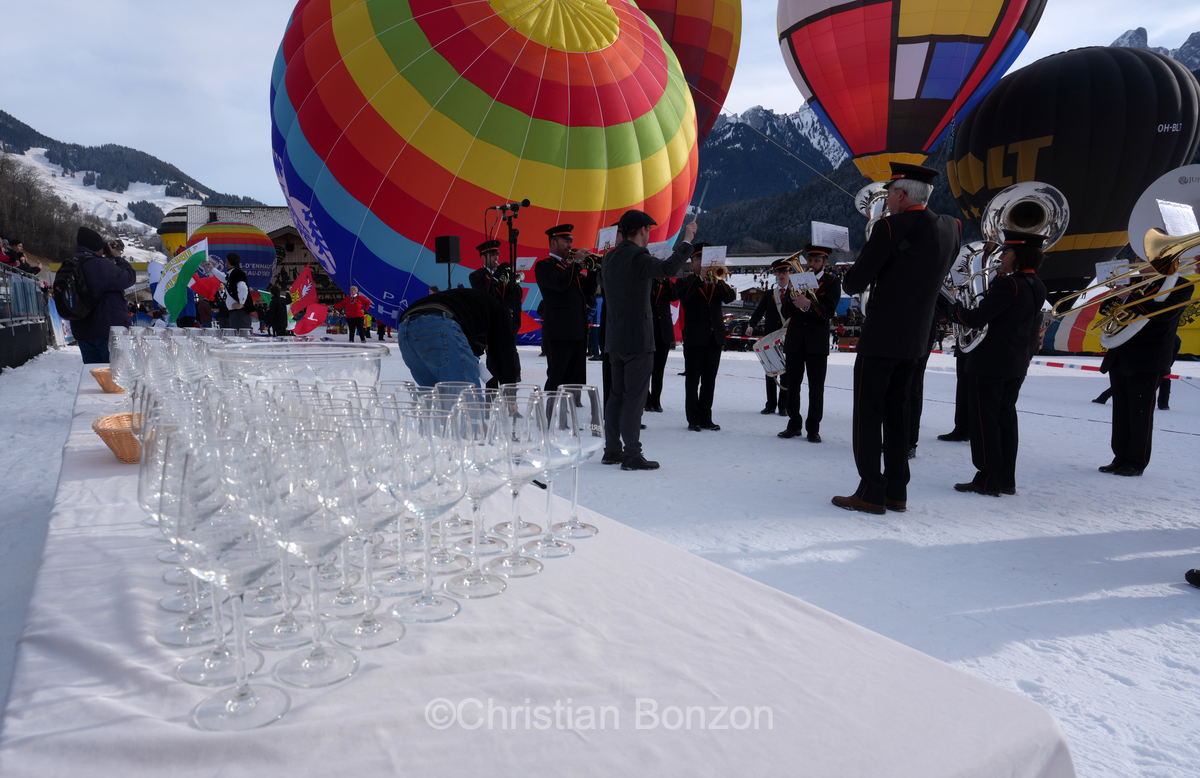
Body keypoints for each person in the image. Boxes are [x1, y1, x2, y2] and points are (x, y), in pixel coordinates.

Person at [833, 163, 961, 515]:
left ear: (901, 195)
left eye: (889, 194)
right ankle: (897, 491)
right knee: (899, 413)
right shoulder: (952, 228)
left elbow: (854, 283)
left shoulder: (888, 227)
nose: (886, 201)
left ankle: (871, 490)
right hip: (919, 338)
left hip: (882, 337)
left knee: (868, 414)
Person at [946, 231, 1048, 495]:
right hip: (1015, 362)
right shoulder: (1036, 284)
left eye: (1007, 252)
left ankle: (988, 477)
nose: (1001, 256)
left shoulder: (1008, 284)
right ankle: (1006, 478)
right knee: (1005, 420)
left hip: (990, 363)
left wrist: (950, 306)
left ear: (1019, 254)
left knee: (985, 422)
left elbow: (976, 318)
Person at [599, 211, 696, 470]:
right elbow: (667, 268)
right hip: (638, 340)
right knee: (634, 398)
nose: (650, 233)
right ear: (642, 230)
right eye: (649, 229)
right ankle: (632, 453)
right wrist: (687, 241)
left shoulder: (608, 258)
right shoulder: (638, 256)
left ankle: (611, 450)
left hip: (614, 339)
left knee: (616, 396)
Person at [1097, 266, 1192, 476]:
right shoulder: (1134, 281)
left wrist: (1129, 296)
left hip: (1149, 358)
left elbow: (1163, 315)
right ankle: (1120, 456)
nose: (1139, 260)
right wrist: (1116, 297)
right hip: (1121, 353)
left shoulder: (1181, 285)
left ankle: (1136, 462)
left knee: (1140, 413)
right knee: (1121, 410)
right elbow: (1104, 311)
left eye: (1145, 256)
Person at [778, 244, 840, 442]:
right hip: (795, 341)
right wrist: (790, 291)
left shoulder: (832, 282)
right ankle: (793, 424)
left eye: (816, 261)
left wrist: (809, 304)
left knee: (816, 388)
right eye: (809, 260)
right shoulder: (796, 280)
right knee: (792, 386)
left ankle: (813, 428)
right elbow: (786, 312)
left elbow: (829, 312)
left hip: (817, 343)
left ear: (824, 262)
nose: (811, 264)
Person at [396, 287, 518, 387]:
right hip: (441, 324)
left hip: (406, 329)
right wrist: (511, 396)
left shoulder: (475, 308)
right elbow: (505, 354)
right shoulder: (499, 312)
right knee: (467, 407)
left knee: (435, 407)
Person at [678, 243, 736, 432]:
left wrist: (718, 279)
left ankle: (706, 418)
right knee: (693, 381)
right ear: (692, 263)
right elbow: (684, 297)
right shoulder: (685, 282)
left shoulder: (716, 282)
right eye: (699, 259)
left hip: (714, 338)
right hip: (694, 338)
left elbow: (730, 297)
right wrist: (701, 277)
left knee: (709, 381)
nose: (703, 263)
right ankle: (693, 419)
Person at [535, 224, 597, 392]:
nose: (570, 245)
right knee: (557, 379)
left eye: (571, 241)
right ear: (553, 243)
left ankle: (573, 412)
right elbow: (561, 284)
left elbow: (589, 291)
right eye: (565, 241)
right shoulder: (544, 266)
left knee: (576, 382)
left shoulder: (570, 268)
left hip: (578, 333)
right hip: (558, 334)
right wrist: (576, 263)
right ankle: (550, 415)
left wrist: (593, 270)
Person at [67, 227, 135, 364]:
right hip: (107, 330)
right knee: (114, 376)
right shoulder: (99, 264)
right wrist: (118, 257)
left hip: (82, 330)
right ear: (97, 247)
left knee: (93, 375)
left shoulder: (70, 263)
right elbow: (129, 277)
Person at [745, 259, 792, 416]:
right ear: (775, 274)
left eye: (784, 272)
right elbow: (759, 312)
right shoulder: (769, 294)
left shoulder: (796, 292)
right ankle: (770, 404)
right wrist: (751, 325)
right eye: (779, 272)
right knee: (771, 370)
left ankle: (783, 406)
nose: (782, 275)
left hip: (789, 336)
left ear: (790, 273)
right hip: (771, 337)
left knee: (786, 372)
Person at [645, 275, 678, 413]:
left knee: (659, 370)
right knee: (645, 370)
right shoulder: (646, 281)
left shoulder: (666, 283)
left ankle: (656, 400)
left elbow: (674, 297)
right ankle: (646, 400)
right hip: (648, 331)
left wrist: (666, 280)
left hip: (663, 332)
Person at [224, 253, 254, 330]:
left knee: (241, 337)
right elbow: (223, 278)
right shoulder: (232, 274)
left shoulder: (237, 274)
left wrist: (241, 303)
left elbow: (243, 287)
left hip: (240, 313)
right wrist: (212, 268)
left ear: (227, 261)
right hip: (236, 313)